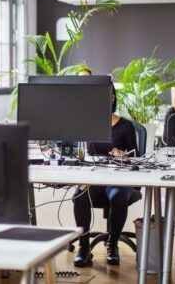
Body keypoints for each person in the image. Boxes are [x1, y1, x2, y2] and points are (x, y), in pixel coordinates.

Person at [72, 85, 138, 267]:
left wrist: (124, 155)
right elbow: (84, 153)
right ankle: (84, 248)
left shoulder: (126, 126)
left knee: (117, 196)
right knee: (79, 195)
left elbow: (136, 156)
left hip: (119, 179)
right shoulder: (89, 124)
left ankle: (112, 243)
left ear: (112, 98)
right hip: (96, 178)